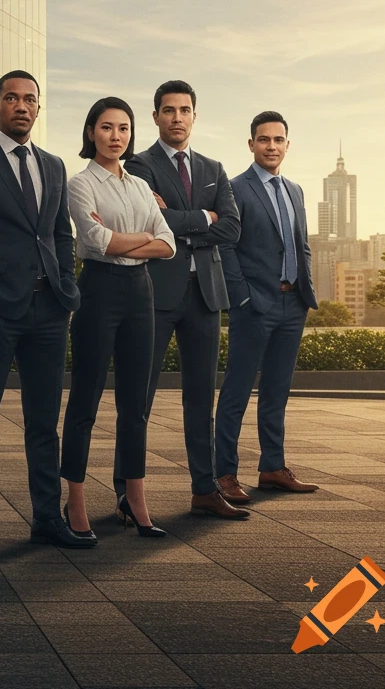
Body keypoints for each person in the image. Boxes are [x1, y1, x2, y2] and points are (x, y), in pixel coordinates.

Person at [0, 70, 90, 555]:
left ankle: (46, 517)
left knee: (43, 421)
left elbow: (60, 233)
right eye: (11, 98)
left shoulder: (53, 166)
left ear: (38, 108)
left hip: (49, 309)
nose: (21, 106)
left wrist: (67, 289)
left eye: (29, 99)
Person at [121, 81, 248, 519]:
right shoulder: (140, 164)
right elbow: (148, 220)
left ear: (195, 116)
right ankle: (127, 493)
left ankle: (204, 489)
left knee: (200, 399)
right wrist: (203, 217)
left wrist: (180, 220)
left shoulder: (214, 167)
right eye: (169, 110)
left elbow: (231, 227)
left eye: (185, 110)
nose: (177, 117)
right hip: (155, 293)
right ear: (155, 116)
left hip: (205, 296)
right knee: (139, 396)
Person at [62, 97, 175, 540]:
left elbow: (168, 246)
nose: (116, 136)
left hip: (139, 293)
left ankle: (134, 498)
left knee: (135, 405)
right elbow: (93, 242)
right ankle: (74, 498)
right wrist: (141, 236)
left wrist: (126, 240)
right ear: (92, 132)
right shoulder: (79, 184)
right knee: (85, 401)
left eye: (124, 128)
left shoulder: (140, 186)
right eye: (107, 127)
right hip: (99, 291)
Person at [215, 111, 320, 496]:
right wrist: (241, 295)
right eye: (264, 139)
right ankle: (224, 474)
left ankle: (272, 467)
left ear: (287, 145)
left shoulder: (294, 189)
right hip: (254, 305)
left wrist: (306, 293)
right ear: (251, 144)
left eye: (278, 140)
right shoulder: (234, 188)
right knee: (237, 392)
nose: (271, 146)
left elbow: (301, 245)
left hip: (294, 304)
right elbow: (224, 246)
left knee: (277, 391)